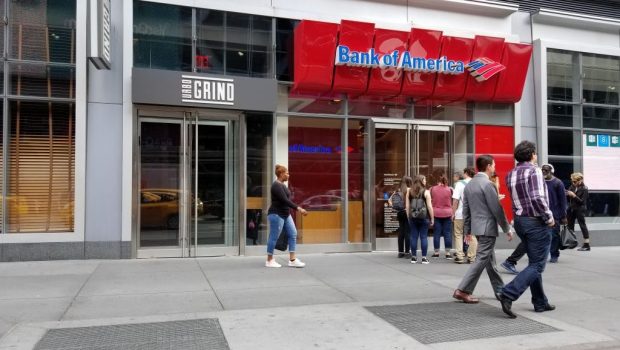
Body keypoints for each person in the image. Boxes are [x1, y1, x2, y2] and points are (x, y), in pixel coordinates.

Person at [499, 141, 555, 318]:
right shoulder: (534, 170)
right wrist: (549, 217)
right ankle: (508, 293)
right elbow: (537, 197)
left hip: (520, 221)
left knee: (533, 263)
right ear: (531, 154)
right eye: (535, 153)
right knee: (538, 265)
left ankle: (540, 302)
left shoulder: (511, 174)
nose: (536, 156)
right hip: (536, 222)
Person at [452, 155, 513, 304]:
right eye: (494, 165)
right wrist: (507, 228)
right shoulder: (488, 184)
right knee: (481, 259)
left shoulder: (470, 185)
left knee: (489, 260)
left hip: (477, 228)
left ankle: (500, 290)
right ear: (488, 166)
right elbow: (496, 209)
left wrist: (467, 230)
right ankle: (463, 290)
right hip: (487, 228)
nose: (495, 168)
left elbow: (465, 209)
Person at [265, 164, 308, 268]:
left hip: (285, 214)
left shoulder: (283, 185)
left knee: (293, 234)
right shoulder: (276, 185)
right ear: (281, 174)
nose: (289, 175)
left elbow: (287, 200)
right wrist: (299, 208)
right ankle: (269, 260)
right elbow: (285, 200)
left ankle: (292, 260)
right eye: (287, 173)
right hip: (276, 214)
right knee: (273, 237)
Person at [406, 175, 434, 264]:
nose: (425, 181)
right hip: (424, 217)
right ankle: (424, 258)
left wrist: (408, 216)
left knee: (413, 236)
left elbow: (407, 206)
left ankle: (413, 257)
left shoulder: (409, 191)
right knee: (423, 237)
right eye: (424, 179)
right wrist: (432, 218)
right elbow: (429, 206)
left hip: (413, 217)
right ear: (421, 181)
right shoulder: (426, 192)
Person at [452, 167, 477, 264]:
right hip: (473, 215)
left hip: (460, 214)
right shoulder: (476, 183)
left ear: (466, 173)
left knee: (458, 234)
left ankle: (460, 256)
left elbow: (455, 200)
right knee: (472, 235)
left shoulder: (459, 184)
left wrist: (453, 212)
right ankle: (471, 257)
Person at [430, 173, 453, 259]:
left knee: (437, 233)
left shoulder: (432, 189)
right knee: (447, 233)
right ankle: (447, 253)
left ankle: (436, 252)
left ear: (437, 181)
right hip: (448, 213)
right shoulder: (450, 189)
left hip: (436, 213)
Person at [389, 176, 413, 258]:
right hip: (406, 212)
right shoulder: (409, 190)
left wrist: (393, 206)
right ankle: (407, 252)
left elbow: (390, 200)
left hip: (399, 213)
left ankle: (400, 252)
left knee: (401, 232)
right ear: (409, 182)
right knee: (407, 232)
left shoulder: (397, 190)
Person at [567, 172, 590, 251]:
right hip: (572, 208)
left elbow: (582, 202)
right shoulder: (572, 186)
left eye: (575, 181)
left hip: (580, 209)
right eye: (572, 181)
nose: (573, 183)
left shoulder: (584, 188)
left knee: (582, 225)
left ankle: (586, 244)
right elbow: (568, 194)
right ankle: (572, 242)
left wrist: (574, 196)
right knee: (570, 225)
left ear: (580, 180)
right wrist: (567, 194)